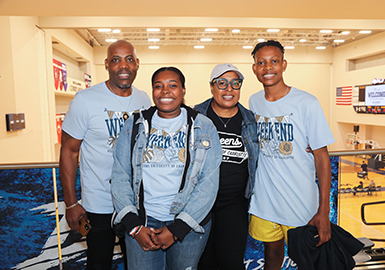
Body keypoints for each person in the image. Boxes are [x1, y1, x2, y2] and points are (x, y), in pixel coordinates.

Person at [110, 67, 222, 269]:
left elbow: (209, 182)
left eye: (173, 85)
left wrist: (178, 228)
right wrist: (135, 227)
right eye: (158, 86)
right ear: (152, 91)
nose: (165, 91)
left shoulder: (204, 126)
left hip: (187, 223)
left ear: (183, 90)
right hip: (143, 222)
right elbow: (120, 176)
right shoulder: (134, 125)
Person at [59, 40, 151, 269]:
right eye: (116, 60)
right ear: (107, 64)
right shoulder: (86, 100)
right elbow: (69, 151)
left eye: (129, 59)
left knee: (137, 263)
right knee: (99, 263)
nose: (123, 66)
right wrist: (71, 204)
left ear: (137, 64)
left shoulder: (144, 100)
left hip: (135, 203)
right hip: (100, 203)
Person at [248, 40, 335, 270]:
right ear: (254, 68)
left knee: (309, 261)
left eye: (274, 61)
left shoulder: (307, 102)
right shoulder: (254, 101)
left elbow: (322, 158)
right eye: (261, 63)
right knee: (272, 258)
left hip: (301, 201)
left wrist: (323, 212)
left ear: (284, 64)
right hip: (266, 201)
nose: (268, 67)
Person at [194, 63, 259, 269]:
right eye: (222, 83)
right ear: (212, 87)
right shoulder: (194, 116)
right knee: (203, 262)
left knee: (231, 262)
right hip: (200, 204)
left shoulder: (250, 119)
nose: (229, 89)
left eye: (235, 83)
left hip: (234, 205)